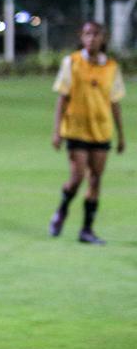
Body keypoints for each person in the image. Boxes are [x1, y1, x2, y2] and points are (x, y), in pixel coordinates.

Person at [49, 20, 126, 245]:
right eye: (87, 34)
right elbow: (62, 99)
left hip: (101, 130)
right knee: (77, 177)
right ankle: (62, 210)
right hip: (76, 129)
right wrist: (57, 131)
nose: (91, 38)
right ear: (81, 37)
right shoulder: (72, 62)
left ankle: (86, 230)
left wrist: (121, 136)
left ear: (103, 38)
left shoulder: (111, 67)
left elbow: (115, 102)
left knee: (96, 180)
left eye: (96, 34)